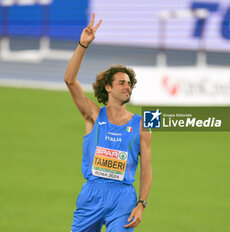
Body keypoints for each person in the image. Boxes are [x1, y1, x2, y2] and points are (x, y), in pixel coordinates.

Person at [64, 13, 152, 232]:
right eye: (121, 82)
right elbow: (70, 80)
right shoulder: (93, 115)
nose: (127, 87)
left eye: (130, 84)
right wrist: (83, 45)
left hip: (123, 197)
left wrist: (141, 204)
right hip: (92, 194)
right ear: (108, 87)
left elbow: (147, 169)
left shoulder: (143, 124)